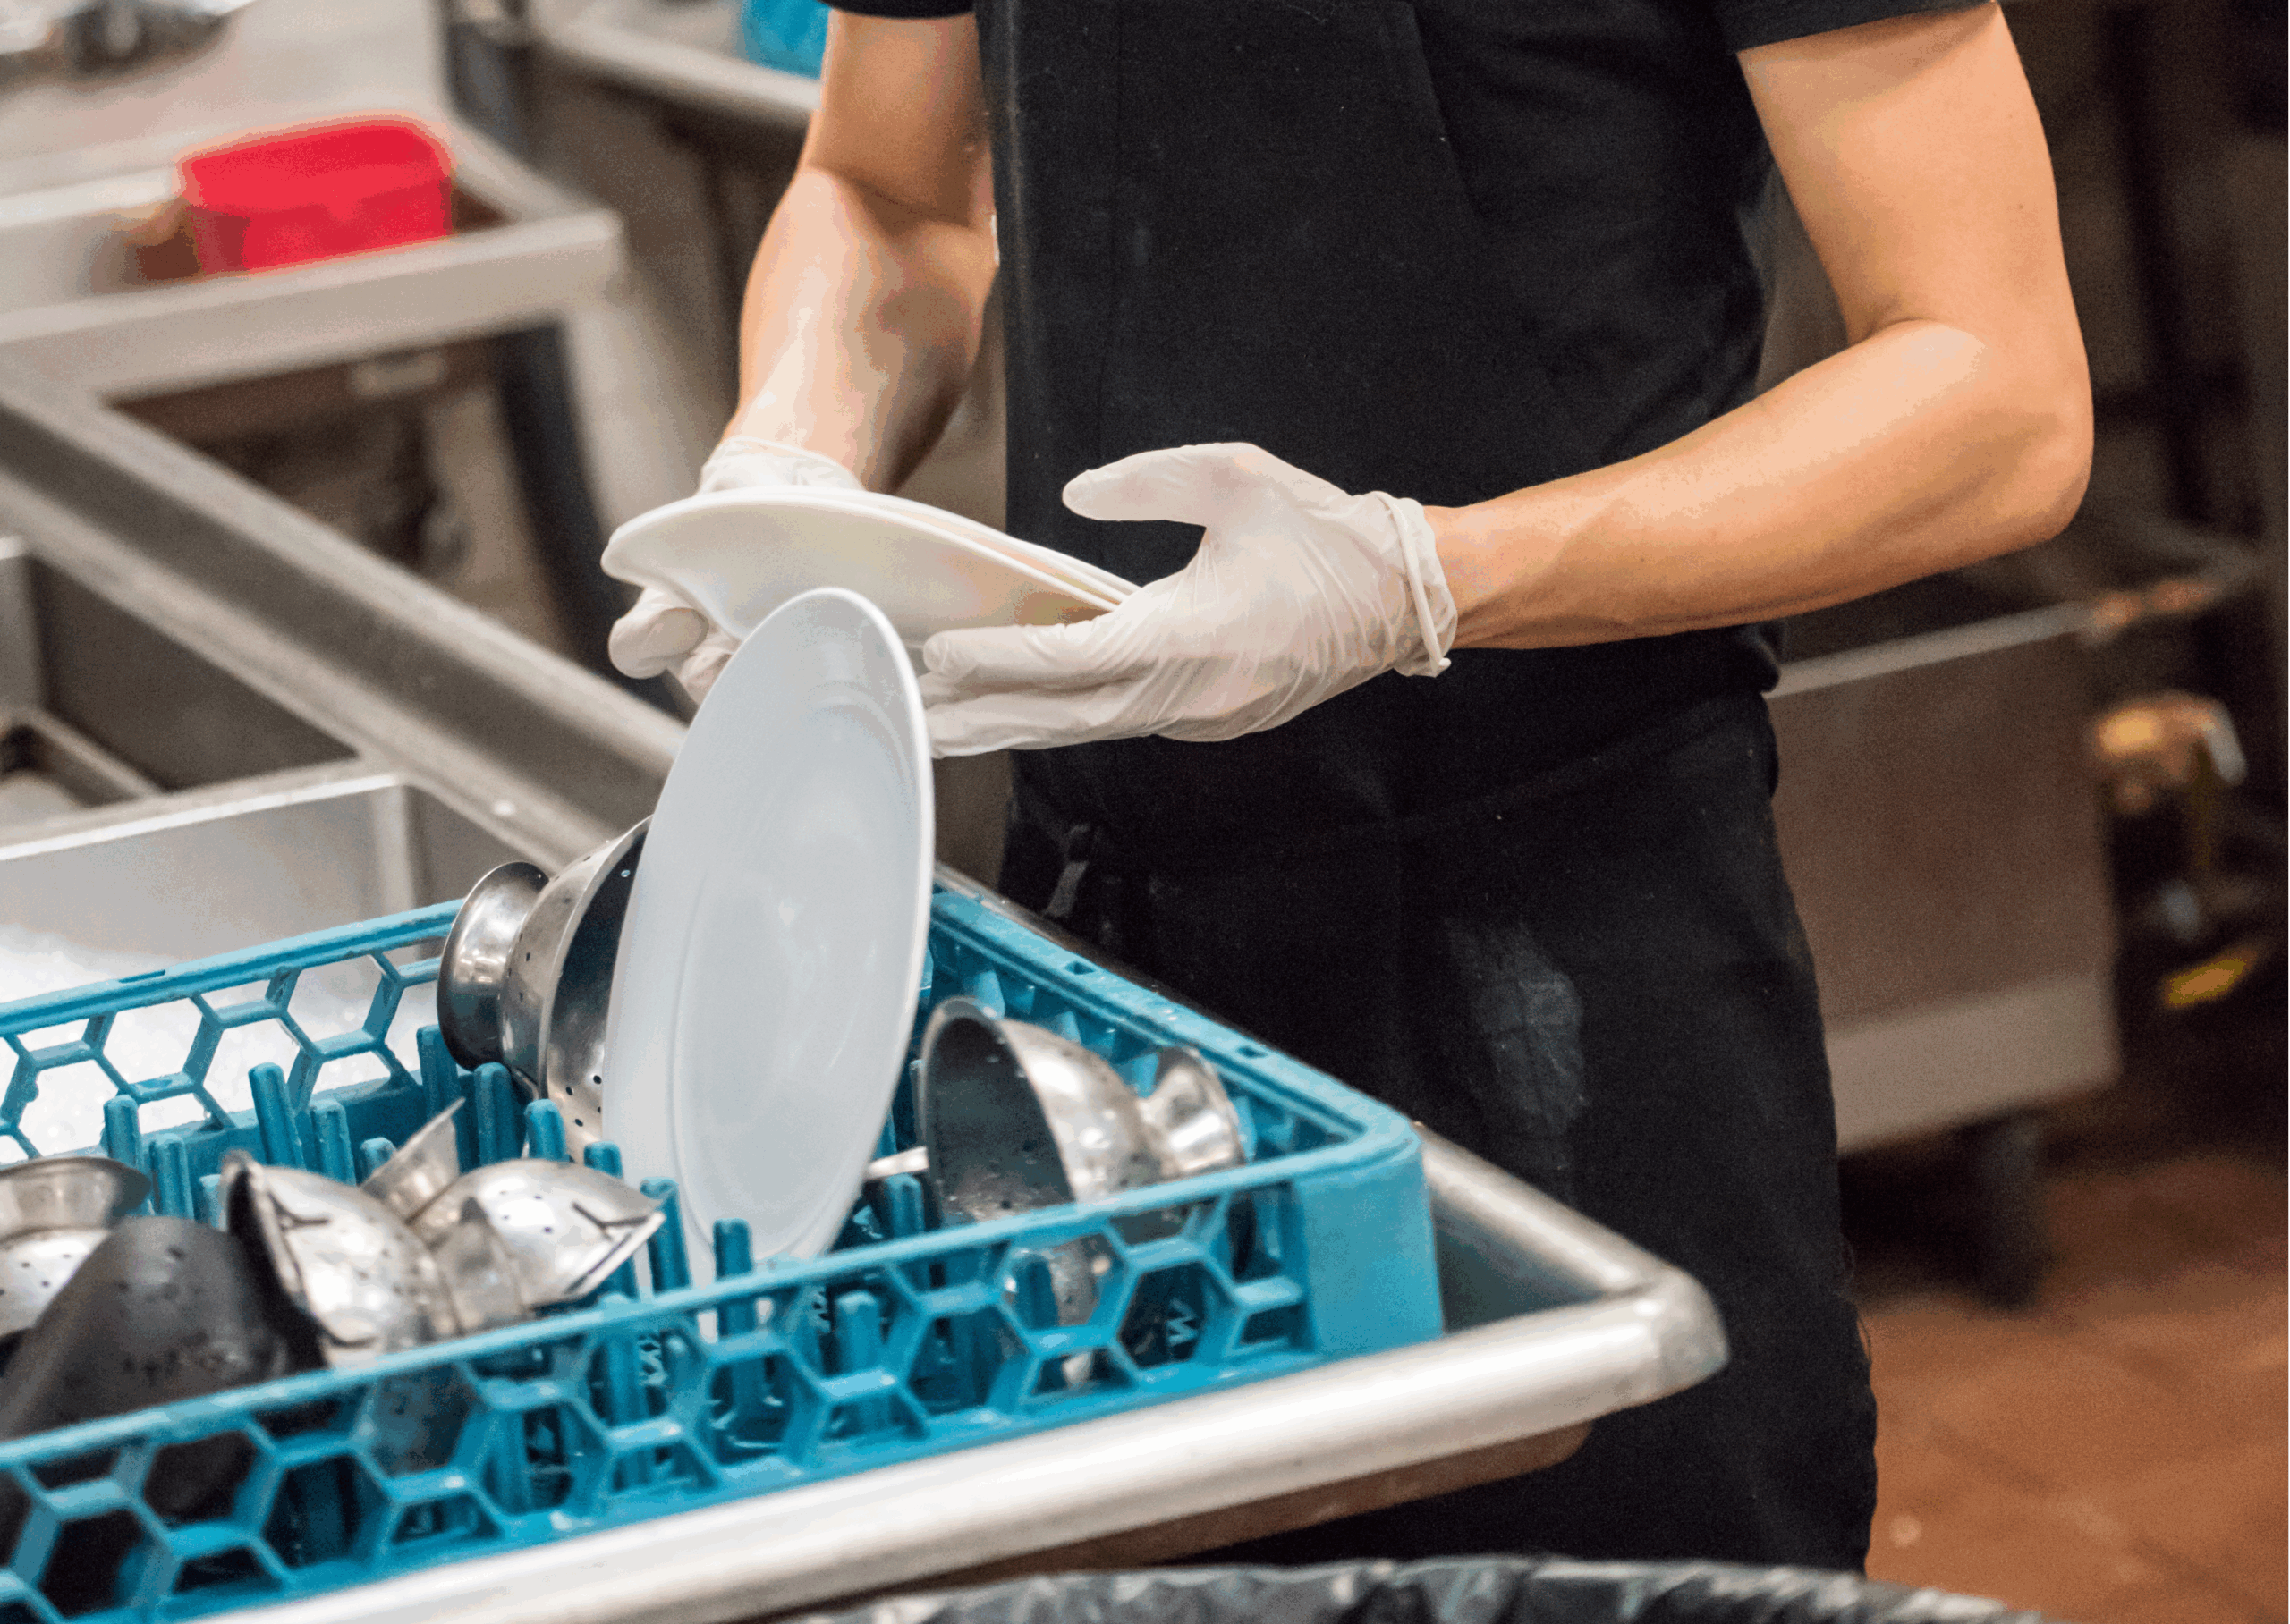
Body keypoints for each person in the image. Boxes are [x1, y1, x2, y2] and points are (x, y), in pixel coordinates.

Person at [609, 0, 2090, 1573]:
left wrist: (1413, 578)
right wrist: (791, 460)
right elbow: (887, 189)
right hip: (1104, 956)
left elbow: (1997, 392)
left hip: (1560, 955)